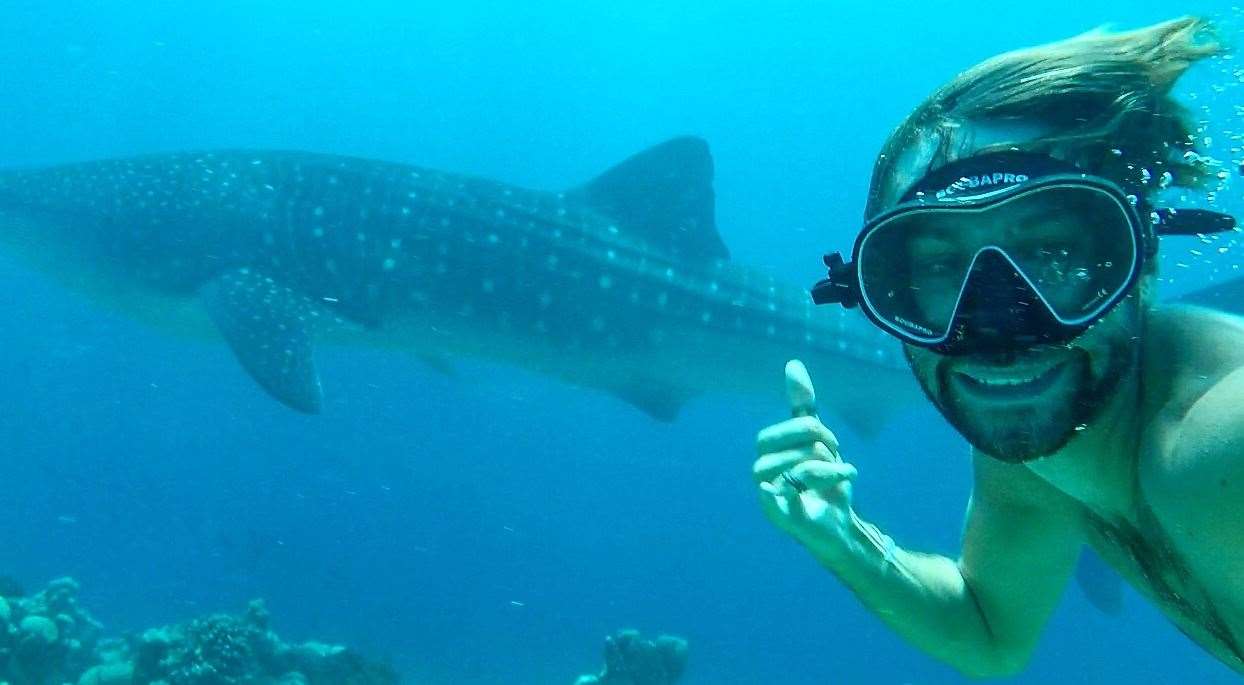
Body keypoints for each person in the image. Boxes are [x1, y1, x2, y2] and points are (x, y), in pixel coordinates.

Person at [752, 16, 1244, 677]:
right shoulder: (1040, 459)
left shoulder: (1215, 452)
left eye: (1052, 252)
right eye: (936, 267)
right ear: (880, 292)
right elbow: (989, 630)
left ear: (1139, 263)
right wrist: (846, 539)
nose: (999, 332)